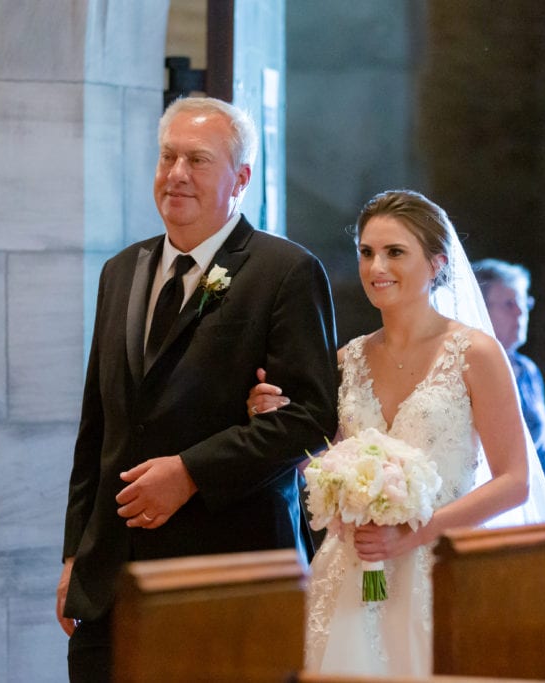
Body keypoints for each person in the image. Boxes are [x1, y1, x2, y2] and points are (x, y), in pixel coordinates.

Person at [248, 189, 545, 677]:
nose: (375, 267)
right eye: (367, 253)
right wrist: (273, 418)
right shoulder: (346, 360)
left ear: (436, 264)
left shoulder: (476, 355)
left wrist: (412, 534)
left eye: (394, 252)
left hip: (439, 573)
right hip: (351, 574)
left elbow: (515, 480)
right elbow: (324, 464)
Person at [57, 96, 339, 682]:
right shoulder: (120, 271)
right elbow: (98, 426)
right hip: (112, 578)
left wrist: (190, 472)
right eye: (168, 157)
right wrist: (74, 554)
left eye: (198, 160)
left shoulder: (283, 272)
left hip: (227, 575)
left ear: (241, 178)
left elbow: (310, 417)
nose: (176, 173)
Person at [472, 258, 545, 516]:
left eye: (524, 302)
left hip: (532, 507)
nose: (520, 313)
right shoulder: (466, 371)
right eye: (509, 304)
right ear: (480, 309)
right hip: (488, 508)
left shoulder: (528, 372)